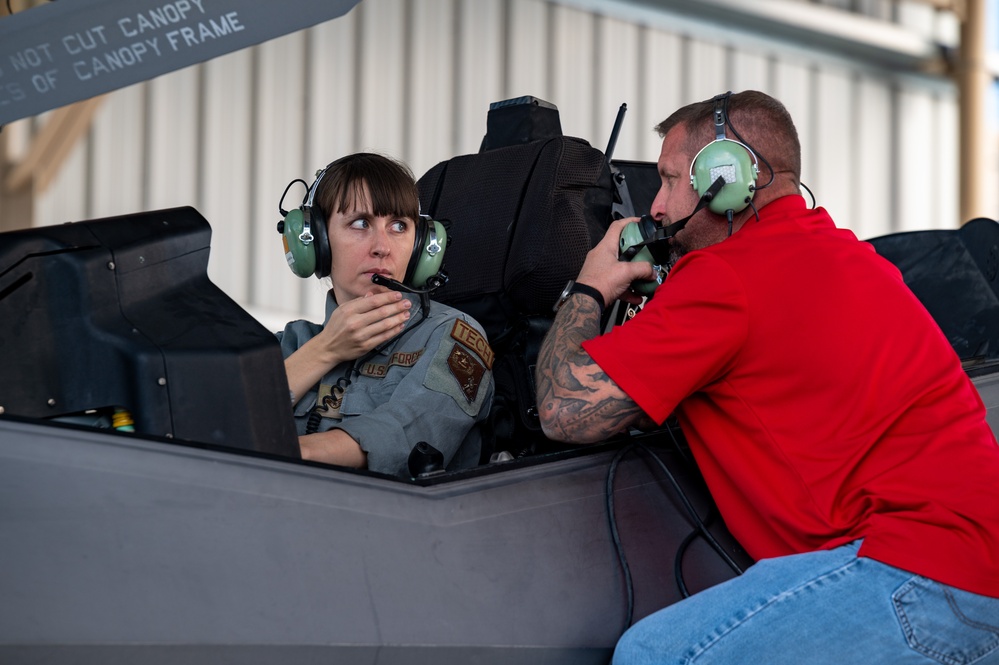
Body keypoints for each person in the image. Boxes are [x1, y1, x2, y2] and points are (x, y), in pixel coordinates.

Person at [535, 90, 999, 663]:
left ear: (724, 177)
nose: (655, 207)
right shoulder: (845, 254)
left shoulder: (723, 277)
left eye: (671, 179)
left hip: (914, 576)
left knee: (652, 653)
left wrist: (589, 286)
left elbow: (563, 411)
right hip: (973, 574)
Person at [278, 152, 495, 478]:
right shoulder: (292, 345)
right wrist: (326, 350)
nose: (382, 246)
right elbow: (214, 422)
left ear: (422, 244)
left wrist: (281, 451)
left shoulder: (453, 336)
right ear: (317, 241)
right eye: (361, 223)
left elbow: (404, 433)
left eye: (398, 226)